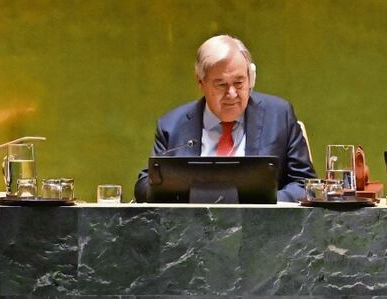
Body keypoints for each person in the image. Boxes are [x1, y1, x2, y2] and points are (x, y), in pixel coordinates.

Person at [134, 35, 315, 203]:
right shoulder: (172, 126)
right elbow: (144, 186)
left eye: (239, 82)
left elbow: (305, 185)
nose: (232, 94)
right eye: (221, 85)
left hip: (262, 230)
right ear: (200, 82)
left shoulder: (279, 116)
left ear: (250, 78)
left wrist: (262, 204)